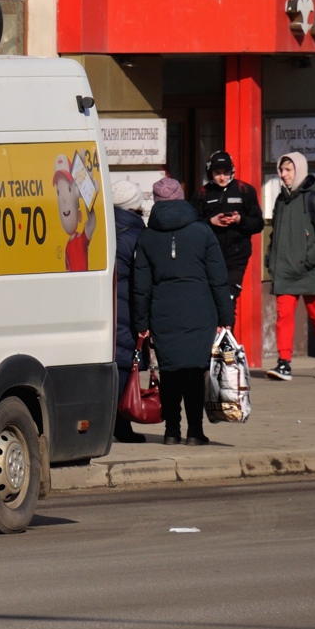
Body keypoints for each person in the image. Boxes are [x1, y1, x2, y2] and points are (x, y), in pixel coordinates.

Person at [131, 176, 234, 446]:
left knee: (171, 372)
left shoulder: (147, 237)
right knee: (194, 372)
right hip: (200, 312)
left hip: (163, 314)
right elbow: (218, 278)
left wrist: (141, 322)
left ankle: (172, 431)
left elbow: (140, 286)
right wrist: (226, 317)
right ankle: (195, 432)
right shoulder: (202, 232)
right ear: (180, 197)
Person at [266, 151, 315, 381]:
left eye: (288, 170)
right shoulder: (281, 200)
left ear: (299, 171)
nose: (283, 174)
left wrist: (307, 260)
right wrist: (271, 260)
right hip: (285, 270)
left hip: (310, 270)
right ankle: (284, 363)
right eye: (281, 170)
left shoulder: (314, 199)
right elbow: (275, 235)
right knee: (283, 316)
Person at [194, 150, 263, 321]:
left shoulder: (245, 191)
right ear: (211, 173)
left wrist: (239, 220)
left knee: (229, 299)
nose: (222, 177)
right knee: (211, 302)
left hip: (237, 257)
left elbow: (258, 223)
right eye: (218, 173)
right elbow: (192, 226)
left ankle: (226, 345)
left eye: (225, 173)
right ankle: (214, 343)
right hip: (210, 256)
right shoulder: (202, 194)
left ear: (231, 171)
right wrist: (211, 221)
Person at [112, 179, 148, 443]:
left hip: (108, 306)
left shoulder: (101, 227)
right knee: (126, 365)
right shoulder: (135, 235)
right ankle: (122, 426)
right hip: (127, 308)